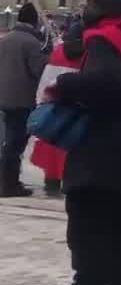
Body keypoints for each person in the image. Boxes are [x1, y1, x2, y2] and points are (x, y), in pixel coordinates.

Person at [46, 0, 121, 285]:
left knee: (85, 227)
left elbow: (107, 82)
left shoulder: (106, 40)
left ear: (101, 6)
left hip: (95, 149)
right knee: (117, 224)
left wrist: (62, 84)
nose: (84, 7)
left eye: (89, 1)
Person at [32, 18, 86, 197]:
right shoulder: (89, 53)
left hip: (54, 104)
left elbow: (46, 80)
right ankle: (70, 183)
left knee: (52, 145)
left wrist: (41, 101)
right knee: (73, 146)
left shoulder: (57, 52)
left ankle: (51, 181)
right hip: (78, 106)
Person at [0, 2, 49, 197]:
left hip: (3, 96)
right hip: (21, 99)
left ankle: (5, 181)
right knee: (16, 143)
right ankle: (9, 184)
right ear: (34, 21)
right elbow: (39, 71)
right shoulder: (32, 43)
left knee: (7, 142)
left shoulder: (5, 39)